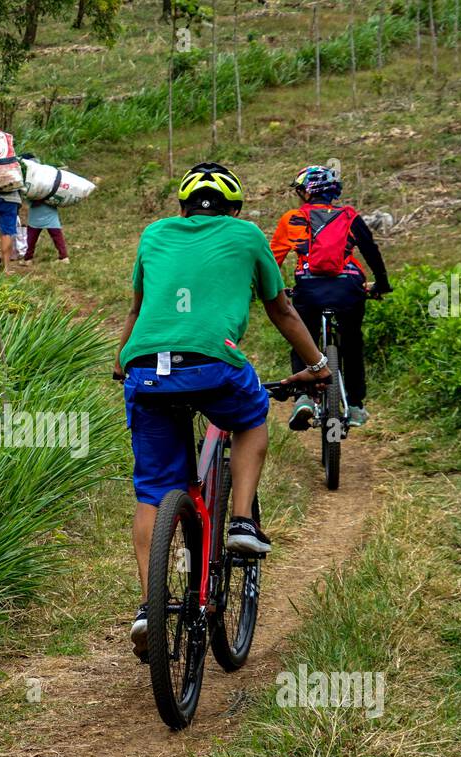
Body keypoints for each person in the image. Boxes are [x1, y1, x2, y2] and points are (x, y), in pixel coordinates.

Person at [114, 162, 332, 659]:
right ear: (233, 209)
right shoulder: (247, 234)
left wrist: (120, 363)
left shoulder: (154, 234)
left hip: (145, 369)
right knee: (251, 419)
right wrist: (317, 365)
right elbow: (282, 310)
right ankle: (240, 525)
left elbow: (136, 310)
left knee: (153, 490)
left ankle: (151, 607)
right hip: (214, 362)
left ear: (182, 209)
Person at [270, 165, 391, 430]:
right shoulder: (349, 216)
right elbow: (371, 252)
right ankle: (356, 406)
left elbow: (272, 261)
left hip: (308, 291)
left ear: (307, 192)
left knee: (302, 339)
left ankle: (303, 397)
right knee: (352, 344)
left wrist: (274, 292)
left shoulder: (293, 218)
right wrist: (381, 284)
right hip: (349, 289)